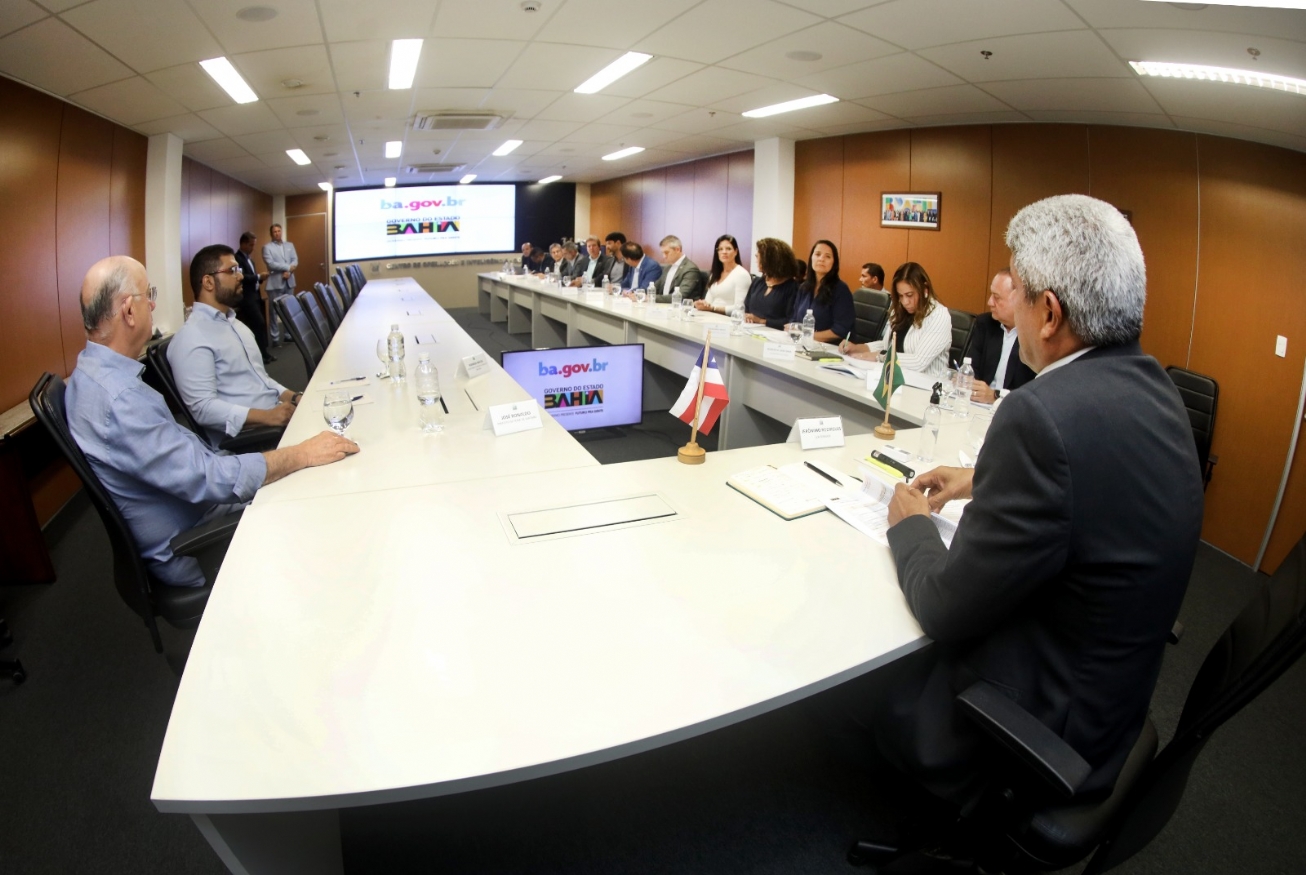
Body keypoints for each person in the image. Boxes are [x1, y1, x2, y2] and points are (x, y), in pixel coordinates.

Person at [860, 193, 1204, 812]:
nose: (1005, 307)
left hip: (1040, 728)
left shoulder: (1038, 413)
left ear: (1048, 313)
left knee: (876, 669)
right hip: (1112, 701)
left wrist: (908, 525)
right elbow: (1090, 489)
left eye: (1013, 290)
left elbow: (944, 605)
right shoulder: (1156, 390)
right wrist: (981, 477)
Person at [66, 256, 358, 588]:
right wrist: (300, 454)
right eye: (149, 294)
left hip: (205, 511)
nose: (153, 303)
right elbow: (209, 479)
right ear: (128, 312)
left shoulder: (89, 374)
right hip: (202, 544)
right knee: (330, 514)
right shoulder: (120, 400)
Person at [168, 243, 301, 447]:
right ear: (208, 282)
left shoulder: (236, 325)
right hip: (253, 438)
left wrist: (294, 397)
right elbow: (203, 408)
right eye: (232, 270)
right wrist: (267, 417)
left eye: (239, 270)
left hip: (276, 421)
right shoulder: (191, 337)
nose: (240, 276)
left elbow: (261, 379)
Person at [839, 262, 951, 378]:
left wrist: (879, 356)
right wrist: (858, 348)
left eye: (909, 295)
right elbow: (886, 345)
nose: (905, 302)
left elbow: (918, 362)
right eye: (900, 296)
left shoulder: (939, 315)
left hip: (927, 387)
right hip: (895, 379)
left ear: (925, 289)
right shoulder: (900, 310)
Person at [966, 268, 1036, 403]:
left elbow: (1032, 392)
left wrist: (995, 396)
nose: (989, 302)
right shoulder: (985, 324)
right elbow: (971, 368)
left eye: (996, 297)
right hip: (977, 406)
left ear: (1018, 300)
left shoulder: (1034, 335)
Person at [790, 239, 854, 343]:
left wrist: (806, 335)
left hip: (829, 349)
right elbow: (794, 319)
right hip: (801, 343)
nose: (821, 259)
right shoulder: (804, 287)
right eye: (817, 254)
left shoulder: (841, 290)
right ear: (811, 258)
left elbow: (840, 330)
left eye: (827, 256)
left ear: (834, 263)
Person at [232, 231, 272, 363]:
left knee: (260, 325)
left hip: (256, 296)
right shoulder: (237, 259)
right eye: (250, 245)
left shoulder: (251, 260)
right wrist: (259, 276)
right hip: (247, 298)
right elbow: (241, 278)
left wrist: (260, 279)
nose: (252, 248)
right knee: (258, 324)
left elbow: (252, 278)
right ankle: (260, 354)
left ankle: (264, 353)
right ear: (243, 244)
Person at [742, 238, 799, 330]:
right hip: (751, 331)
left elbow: (790, 320)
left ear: (773, 260)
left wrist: (762, 321)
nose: (756, 257)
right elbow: (747, 308)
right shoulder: (757, 282)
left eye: (760, 255)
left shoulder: (792, 287)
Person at [696, 234, 751, 314]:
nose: (724, 252)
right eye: (720, 249)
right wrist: (702, 304)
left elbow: (740, 308)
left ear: (736, 251)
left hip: (729, 319)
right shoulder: (715, 274)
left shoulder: (742, 274)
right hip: (710, 316)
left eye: (728, 249)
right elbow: (708, 302)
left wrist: (713, 308)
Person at [262, 223, 297, 344]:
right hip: (275, 283)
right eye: (274, 231)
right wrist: (288, 267)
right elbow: (271, 264)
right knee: (274, 311)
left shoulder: (289, 245)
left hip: (289, 281)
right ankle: (275, 337)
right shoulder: (267, 247)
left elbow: (295, 260)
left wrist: (289, 271)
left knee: (289, 309)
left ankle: (288, 334)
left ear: (281, 232)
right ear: (271, 234)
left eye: (279, 231)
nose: (277, 233)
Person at [658, 235, 703, 301]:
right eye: (662, 253)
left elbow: (680, 296)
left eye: (666, 252)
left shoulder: (690, 269)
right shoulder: (668, 267)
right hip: (665, 306)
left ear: (677, 249)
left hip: (682, 308)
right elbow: (656, 287)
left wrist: (651, 298)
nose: (664, 256)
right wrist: (641, 295)